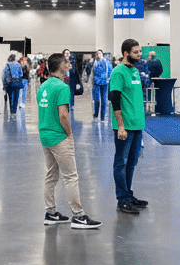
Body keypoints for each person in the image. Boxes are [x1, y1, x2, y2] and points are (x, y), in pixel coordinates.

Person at [37, 53, 100, 229]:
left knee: (51, 175)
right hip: (59, 137)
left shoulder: (43, 86)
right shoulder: (62, 87)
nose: (69, 66)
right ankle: (78, 216)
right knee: (71, 177)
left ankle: (50, 213)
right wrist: (70, 135)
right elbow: (63, 115)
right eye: (67, 63)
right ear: (61, 66)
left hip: (45, 136)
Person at [109, 39, 147, 215]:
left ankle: (128, 195)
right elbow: (115, 99)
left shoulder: (135, 71)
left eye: (140, 52)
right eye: (135, 52)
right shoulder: (118, 72)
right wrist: (121, 126)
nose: (139, 55)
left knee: (132, 162)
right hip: (125, 126)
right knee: (121, 162)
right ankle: (122, 199)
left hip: (137, 124)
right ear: (126, 53)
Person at [91, 51, 111, 122]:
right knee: (96, 100)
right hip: (95, 82)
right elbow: (89, 70)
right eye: (97, 54)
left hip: (104, 82)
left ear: (102, 55)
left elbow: (110, 71)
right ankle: (96, 114)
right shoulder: (94, 62)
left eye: (100, 54)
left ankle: (102, 117)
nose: (98, 55)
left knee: (104, 100)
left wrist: (108, 79)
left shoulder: (106, 62)